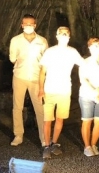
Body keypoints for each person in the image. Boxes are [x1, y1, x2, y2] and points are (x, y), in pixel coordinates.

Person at [38, 26, 85, 159]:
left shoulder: (72, 52)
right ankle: (46, 146)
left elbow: (84, 64)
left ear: (69, 37)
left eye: (66, 33)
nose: (64, 35)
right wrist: (41, 89)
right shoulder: (50, 51)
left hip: (64, 90)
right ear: (57, 36)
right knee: (47, 119)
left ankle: (54, 142)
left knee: (60, 118)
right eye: (61, 33)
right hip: (49, 89)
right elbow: (42, 72)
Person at [8, 14, 48, 147]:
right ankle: (18, 135)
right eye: (26, 24)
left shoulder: (42, 41)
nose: (28, 26)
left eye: (31, 24)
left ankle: (44, 137)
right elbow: (12, 58)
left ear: (35, 25)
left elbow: (46, 60)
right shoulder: (16, 40)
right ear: (22, 25)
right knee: (17, 107)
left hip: (36, 77)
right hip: (19, 76)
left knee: (40, 108)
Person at [78, 37, 99, 157]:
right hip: (87, 95)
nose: (96, 48)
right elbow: (83, 79)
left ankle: (93, 144)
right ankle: (87, 146)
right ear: (89, 47)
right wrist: (95, 92)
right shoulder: (85, 62)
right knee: (87, 121)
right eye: (93, 46)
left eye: (98, 46)